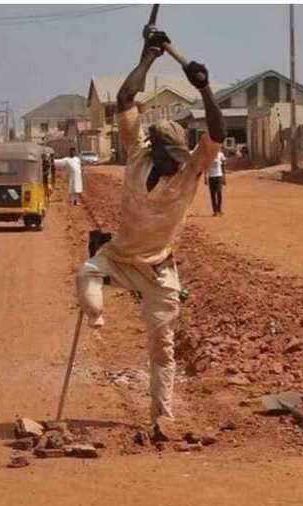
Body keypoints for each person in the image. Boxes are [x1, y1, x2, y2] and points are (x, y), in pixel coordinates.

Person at [75, 30, 224, 442]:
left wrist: (205, 87)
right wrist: (148, 58)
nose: (173, 162)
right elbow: (126, 99)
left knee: (163, 347)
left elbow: (216, 131)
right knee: (87, 274)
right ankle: (98, 315)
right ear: (155, 150)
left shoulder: (193, 169)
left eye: (177, 157)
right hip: (120, 257)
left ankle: (163, 416)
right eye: (168, 156)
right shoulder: (138, 151)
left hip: (159, 268)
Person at [207, 150, 226, 216]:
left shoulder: (220, 154)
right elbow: (205, 166)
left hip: (219, 176)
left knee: (219, 193)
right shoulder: (208, 155)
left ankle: (219, 210)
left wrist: (224, 177)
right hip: (211, 177)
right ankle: (215, 211)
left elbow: (223, 166)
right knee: (212, 195)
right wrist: (205, 177)